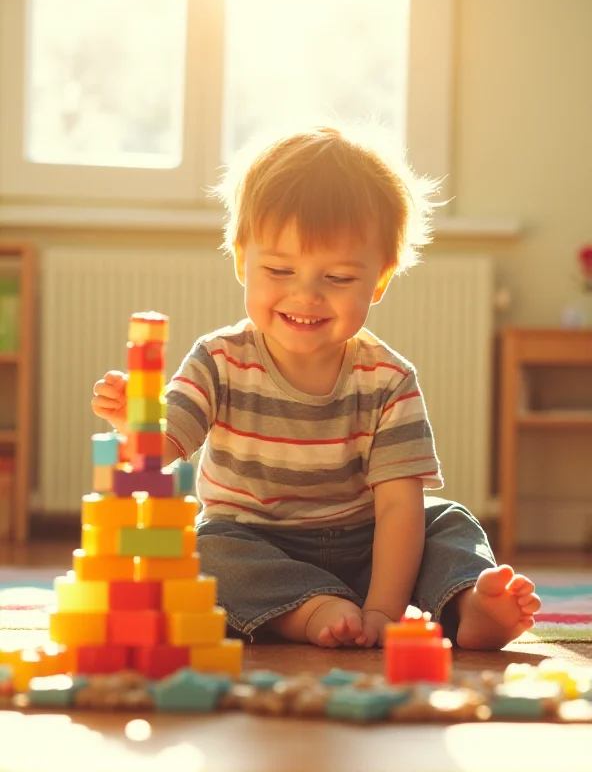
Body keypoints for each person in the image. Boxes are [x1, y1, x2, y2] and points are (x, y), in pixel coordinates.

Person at [92, 123, 540, 650]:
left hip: (367, 544)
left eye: (339, 279)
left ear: (380, 280)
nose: (305, 296)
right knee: (200, 546)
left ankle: (470, 605)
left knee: (447, 521)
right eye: (280, 269)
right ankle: (311, 608)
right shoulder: (217, 360)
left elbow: (397, 507)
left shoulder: (389, 381)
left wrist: (383, 611)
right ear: (241, 261)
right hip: (254, 543)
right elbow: (165, 445)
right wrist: (135, 425)